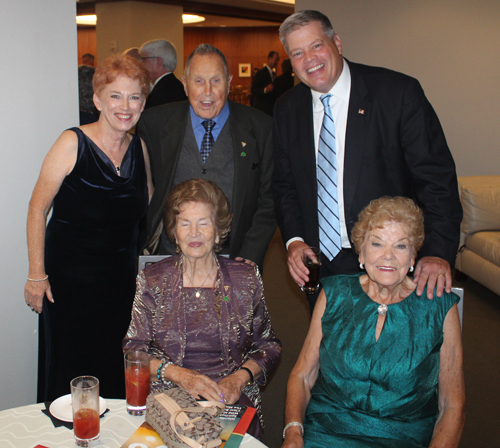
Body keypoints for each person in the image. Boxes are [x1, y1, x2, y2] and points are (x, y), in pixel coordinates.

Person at [273, 10, 463, 310]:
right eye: (297, 52)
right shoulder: (287, 108)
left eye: (316, 45)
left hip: (390, 263)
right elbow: (285, 185)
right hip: (321, 266)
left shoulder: (397, 94)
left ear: (337, 42)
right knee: (328, 352)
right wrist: (294, 240)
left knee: (391, 353)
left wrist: (438, 251)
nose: (309, 59)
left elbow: (436, 179)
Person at [282, 196, 465, 448]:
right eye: (377, 244)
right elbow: (303, 375)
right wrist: (293, 432)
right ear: (361, 252)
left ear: (413, 256)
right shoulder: (334, 293)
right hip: (326, 433)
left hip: (403, 438)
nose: (387, 256)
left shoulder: (438, 307)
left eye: (400, 246)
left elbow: (452, 405)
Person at [24, 54, 154, 401]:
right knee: (71, 377)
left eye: (135, 96)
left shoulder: (140, 149)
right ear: (97, 99)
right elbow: (37, 208)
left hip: (121, 288)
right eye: (115, 95)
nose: (125, 106)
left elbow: (145, 207)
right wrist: (36, 274)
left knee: (114, 371)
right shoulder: (72, 143)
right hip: (69, 288)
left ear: (144, 102)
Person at [123, 178, 281, 436]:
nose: (194, 233)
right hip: (171, 396)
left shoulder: (245, 278)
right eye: (184, 223)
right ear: (174, 232)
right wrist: (179, 376)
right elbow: (133, 351)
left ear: (218, 231)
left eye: (203, 223)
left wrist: (239, 378)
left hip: (228, 398)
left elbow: (268, 346)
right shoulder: (152, 279)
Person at [137, 44, 276, 271]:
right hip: (170, 256)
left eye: (216, 81)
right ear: (185, 83)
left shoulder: (261, 128)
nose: (207, 92)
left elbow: (269, 199)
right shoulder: (154, 123)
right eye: (198, 81)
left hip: (235, 257)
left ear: (229, 82)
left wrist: (251, 252)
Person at [139, 39, 187, 109]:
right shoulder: (179, 87)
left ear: (158, 62)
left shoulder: (158, 95)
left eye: (144, 60)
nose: (141, 64)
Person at [251, 51, 280, 116]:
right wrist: (265, 89)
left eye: (278, 60)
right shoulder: (261, 72)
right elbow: (253, 89)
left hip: (271, 108)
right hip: (262, 108)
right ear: (269, 58)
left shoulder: (274, 74)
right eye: (276, 60)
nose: (277, 63)